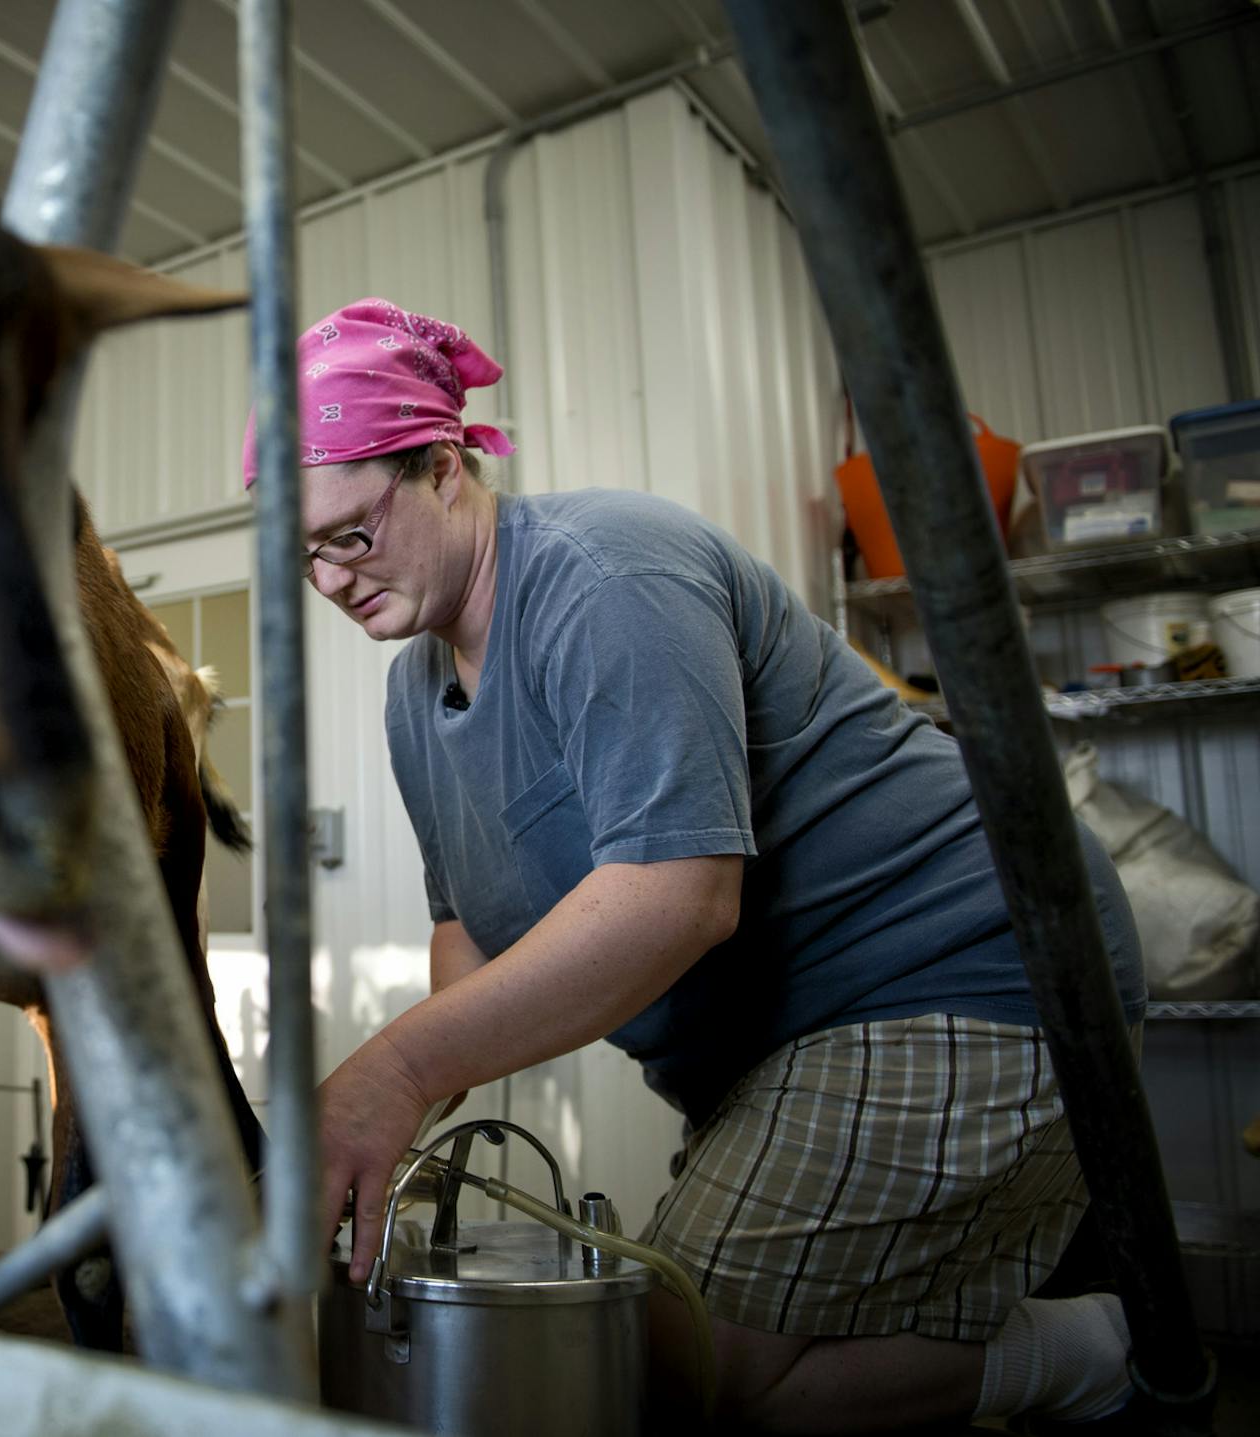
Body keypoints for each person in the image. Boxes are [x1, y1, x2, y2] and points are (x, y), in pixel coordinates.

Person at [243, 298, 1147, 1432]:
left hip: (958, 973)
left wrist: (394, 1073)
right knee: (697, 1362)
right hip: (774, 1052)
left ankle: (1097, 1355)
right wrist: (380, 1136)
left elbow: (680, 896)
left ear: (443, 466)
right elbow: (467, 938)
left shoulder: (603, 574)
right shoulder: (413, 697)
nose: (328, 581)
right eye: (302, 556)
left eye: (349, 534)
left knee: (672, 1370)